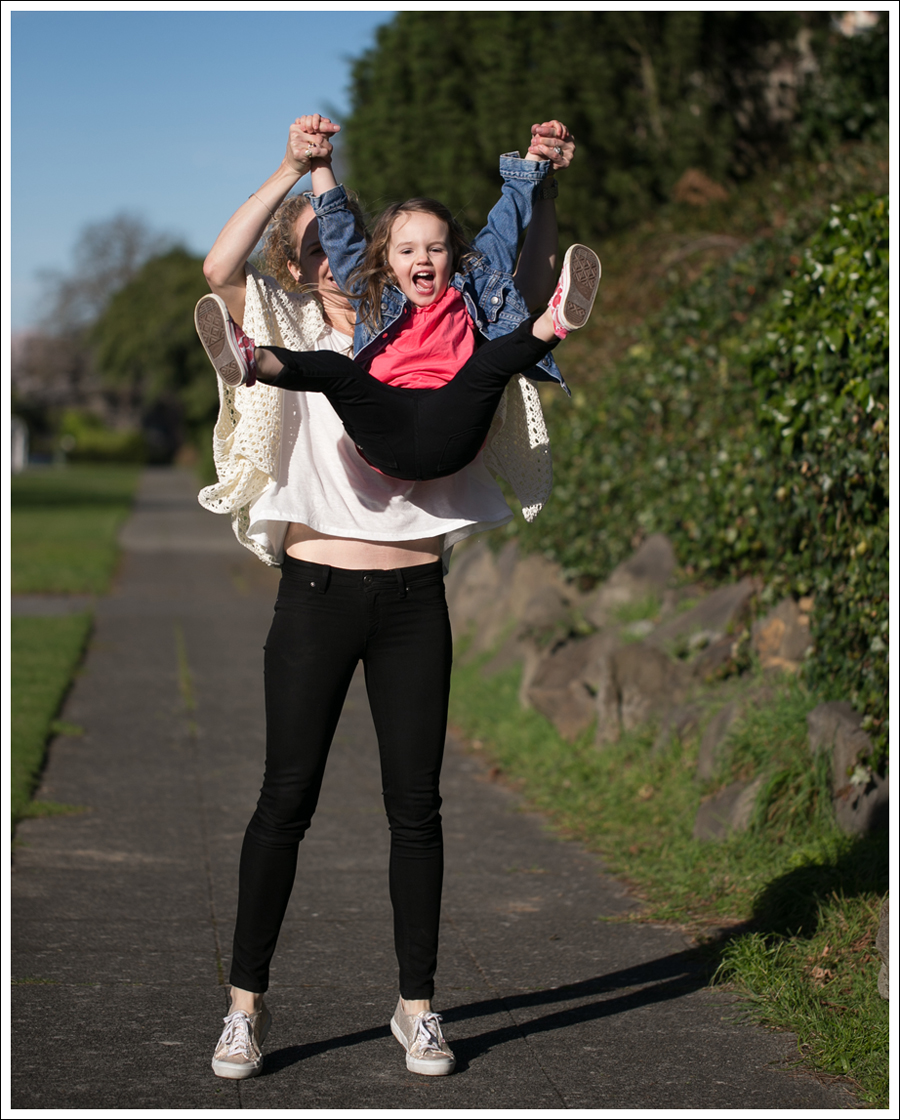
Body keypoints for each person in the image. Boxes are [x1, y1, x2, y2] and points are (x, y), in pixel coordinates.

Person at [197, 114, 577, 1081]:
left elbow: (505, 278)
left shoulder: (428, 320)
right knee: (285, 799)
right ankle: (245, 1008)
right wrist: (296, 168)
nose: (330, 256)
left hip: (413, 600)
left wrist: (539, 182)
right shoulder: (282, 319)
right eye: (313, 244)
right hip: (318, 594)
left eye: (341, 242)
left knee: (417, 808)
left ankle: (418, 1009)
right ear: (299, 258)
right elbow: (216, 267)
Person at [195, 119, 599, 481]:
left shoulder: (469, 291)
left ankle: (556, 320)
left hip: (452, 428)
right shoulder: (367, 298)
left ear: (452, 257)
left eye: (435, 250)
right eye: (407, 251)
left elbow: (502, 232)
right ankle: (251, 359)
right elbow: (340, 234)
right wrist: (315, 163)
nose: (422, 258)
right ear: (382, 262)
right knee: (338, 369)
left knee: (488, 364)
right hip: (386, 433)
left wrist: (534, 168)